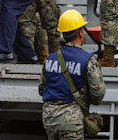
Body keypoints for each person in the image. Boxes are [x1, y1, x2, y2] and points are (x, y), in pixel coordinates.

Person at [39, 10, 105, 139]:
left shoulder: (50, 58)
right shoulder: (87, 59)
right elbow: (98, 93)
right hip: (72, 118)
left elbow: (42, 88)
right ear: (81, 33)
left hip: (49, 118)